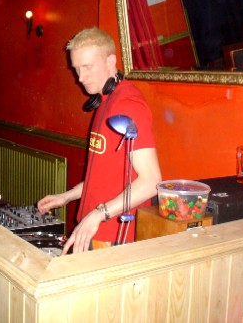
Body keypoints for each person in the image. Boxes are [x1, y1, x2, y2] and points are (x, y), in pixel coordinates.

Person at [37, 27, 161, 254]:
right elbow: (103, 177)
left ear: (110, 61)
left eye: (87, 67)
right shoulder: (105, 101)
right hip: (95, 229)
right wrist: (66, 196)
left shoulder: (128, 104)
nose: (80, 78)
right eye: (76, 69)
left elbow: (151, 181)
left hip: (115, 234)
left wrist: (98, 214)